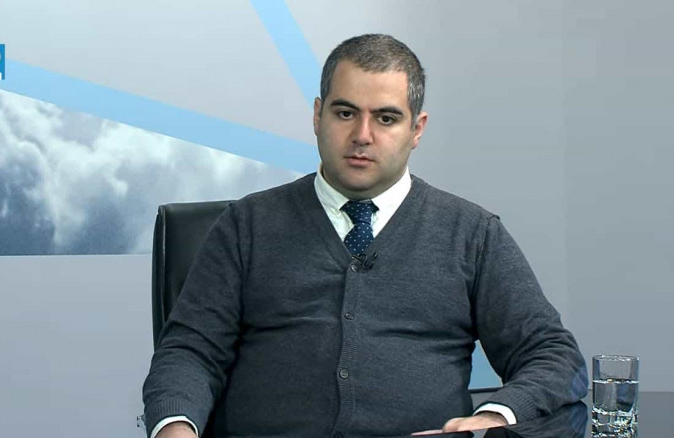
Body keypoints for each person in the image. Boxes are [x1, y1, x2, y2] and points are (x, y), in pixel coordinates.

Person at [142, 34, 587, 438]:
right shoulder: (246, 225)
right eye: (345, 113)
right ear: (317, 116)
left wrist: (495, 416)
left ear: (417, 129)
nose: (362, 136)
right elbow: (190, 351)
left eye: (386, 118)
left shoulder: (472, 234)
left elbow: (552, 355)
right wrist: (175, 426)